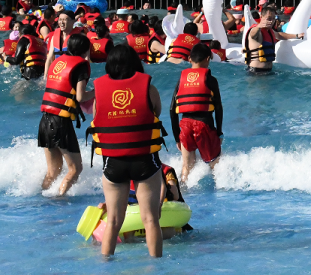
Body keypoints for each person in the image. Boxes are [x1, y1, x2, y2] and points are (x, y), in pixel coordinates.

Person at [87, 45, 167, 258]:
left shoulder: (99, 93)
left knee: (113, 221)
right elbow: (156, 113)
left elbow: (97, 118)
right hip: (144, 161)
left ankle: (106, 265)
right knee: (150, 219)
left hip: (113, 162)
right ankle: (156, 268)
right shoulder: (149, 89)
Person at [39, 33, 94, 196]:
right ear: (86, 50)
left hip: (45, 120)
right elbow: (81, 97)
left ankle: (42, 198)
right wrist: (98, 91)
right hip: (60, 122)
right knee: (75, 168)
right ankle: (59, 199)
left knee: (53, 171)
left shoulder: (57, 61)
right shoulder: (81, 66)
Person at [170, 43, 224, 184]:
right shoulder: (211, 80)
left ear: (189, 59)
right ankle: (220, 189)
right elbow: (218, 108)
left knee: (187, 166)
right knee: (215, 163)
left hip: (185, 126)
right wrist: (219, 133)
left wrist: (177, 138)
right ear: (207, 59)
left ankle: (183, 191)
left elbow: (172, 110)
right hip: (204, 125)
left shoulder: (181, 80)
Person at [245, 5, 299, 73]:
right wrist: (259, 26)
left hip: (268, 71)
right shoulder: (256, 30)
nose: (271, 21)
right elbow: (252, 34)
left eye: (273, 18)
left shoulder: (269, 31)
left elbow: (279, 35)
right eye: (269, 18)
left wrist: (297, 36)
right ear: (261, 17)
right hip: (256, 72)